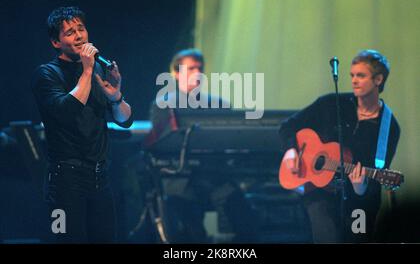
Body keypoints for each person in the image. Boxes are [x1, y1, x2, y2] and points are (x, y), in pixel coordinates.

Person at [31, 6, 133, 243]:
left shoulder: (97, 69)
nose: (79, 36)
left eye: (81, 29)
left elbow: (124, 120)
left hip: (100, 177)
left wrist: (116, 95)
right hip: (66, 180)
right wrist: (87, 71)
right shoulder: (46, 74)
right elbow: (68, 111)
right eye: (70, 32)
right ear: (56, 42)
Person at [278, 50, 400, 243]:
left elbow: (377, 174)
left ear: (378, 79)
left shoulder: (389, 127)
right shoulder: (330, 103)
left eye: (361, 75)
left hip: (359, 202)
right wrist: (291, 150)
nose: (354, 81)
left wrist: (361, 189)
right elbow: (288, 126)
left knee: (358, 237)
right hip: (319, 193)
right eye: (352, 75)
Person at [147, 49, 257, 243]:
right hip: (181, 177)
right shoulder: (163, 104)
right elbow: (162, 144)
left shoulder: (219, 104)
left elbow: (228, 141)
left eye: (200, 68)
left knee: (243, 214)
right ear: (177, 73)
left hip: (213, 175)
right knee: (186, 223)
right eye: (191, 68)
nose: (197, 72)